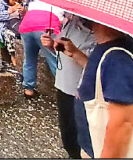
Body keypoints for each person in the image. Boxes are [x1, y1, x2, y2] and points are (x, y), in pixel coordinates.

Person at [62, 21, 133, 158]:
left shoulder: (119, 58)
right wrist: (75, 53)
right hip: (93, 146)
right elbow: (102, 78)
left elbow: (123, 123)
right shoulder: (110, 48)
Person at [40, 14, 98, 158]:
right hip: (63, 85)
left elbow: (99, 70)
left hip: (82, 93)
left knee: (83, 138)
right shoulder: (71, 23)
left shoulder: (100, 36)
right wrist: (52, 45)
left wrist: (76, 53)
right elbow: (64, 53)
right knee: (67, 133)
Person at [18, 0, 61, 98]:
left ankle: (28, 89)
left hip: (26, 26)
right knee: (54, 60)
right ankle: (62, 90)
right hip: (44, 28)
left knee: (29, 58)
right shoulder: (59, 3)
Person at [0, 0, 23, 67]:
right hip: (4, 26)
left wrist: (23, 12)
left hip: (17, 26)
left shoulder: (21, 4)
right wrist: (9, 11)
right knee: (9, 35)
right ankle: (13, 57)